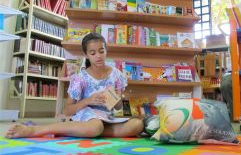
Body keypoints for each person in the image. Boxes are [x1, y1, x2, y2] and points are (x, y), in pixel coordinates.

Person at [5, 33, 144, 138]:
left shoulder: (117, 75)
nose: (98, 56)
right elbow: (67, 111)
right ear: (86, 55)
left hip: (107, 118)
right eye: (93, 53)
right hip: (87, 115)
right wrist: (88, 100)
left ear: (106, 50)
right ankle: (35, 130)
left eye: (101, 51)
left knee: (137, 125)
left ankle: (78, 130)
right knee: (96, 126)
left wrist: (115, 98)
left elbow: (120, 107)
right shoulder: (80, 78)